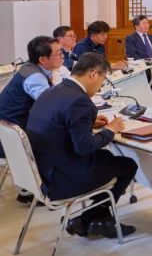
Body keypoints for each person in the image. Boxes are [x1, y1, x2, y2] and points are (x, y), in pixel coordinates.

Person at [26, 52, 138, 239]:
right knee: (127, 165)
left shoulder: (53, 91)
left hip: (41, 171)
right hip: (62, 179)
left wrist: (89, 123)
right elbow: (84, 147)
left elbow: (59, 123)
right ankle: (93, 219)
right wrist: (110, 130)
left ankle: (95, 218)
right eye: (103, 80)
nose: (101, 86)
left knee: (107, 158)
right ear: (93, 74)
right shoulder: (80, 101)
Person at [0, 36, 63, 204]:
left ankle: (29, 189)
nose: (62, 56)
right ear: (43, 59)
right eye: (59, 53)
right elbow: (51, 108)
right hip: (10, 141)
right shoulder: (35, 77)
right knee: (62, 138)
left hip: (9, 132)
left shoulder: (29, 67)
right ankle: (43, 190)